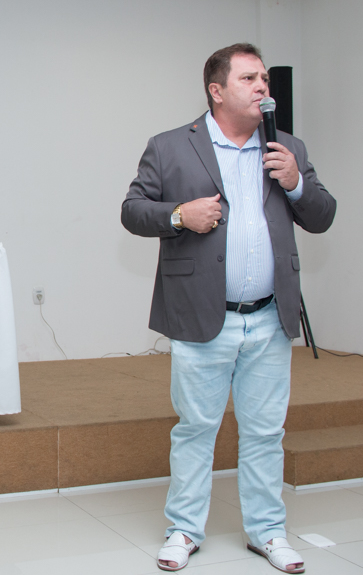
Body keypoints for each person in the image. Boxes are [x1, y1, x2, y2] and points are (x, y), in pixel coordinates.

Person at [120, 43, 336, 573]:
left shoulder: (287, 146)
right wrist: (179, 215)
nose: (262, 87)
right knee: (196, 429)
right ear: (216, 91)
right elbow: (133, 210)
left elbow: (323, 216)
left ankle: (267, 531)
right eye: (248, 79)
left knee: (265, 432)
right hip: (202, 316)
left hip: (269, 316)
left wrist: (296, 183)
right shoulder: (170, 146)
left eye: (264, 78)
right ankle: (183, 530)